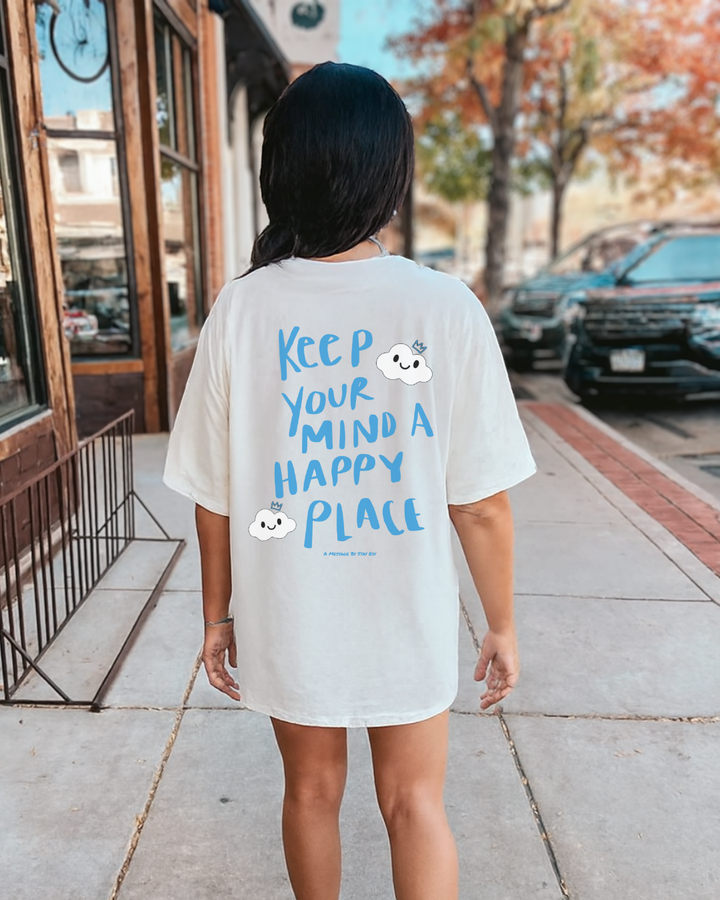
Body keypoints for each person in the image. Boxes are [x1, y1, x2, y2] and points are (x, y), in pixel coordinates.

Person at [163, 62, 536, 900]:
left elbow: (214, 498)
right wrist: (502, 624)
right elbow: (480, 503)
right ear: (388, 174)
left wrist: (217, 615)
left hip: (290, 612)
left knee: (309, 793)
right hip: (408, 614)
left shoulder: (241, 308)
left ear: (281, 172)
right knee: (416, 804)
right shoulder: (446, 306)